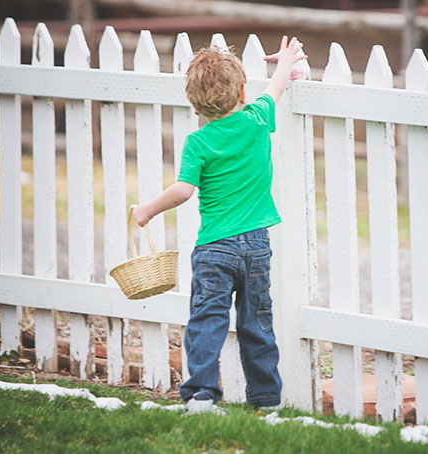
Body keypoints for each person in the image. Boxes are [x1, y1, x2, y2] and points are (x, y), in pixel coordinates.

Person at [132, 36, 307, 413]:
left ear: (194, 102)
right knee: (256, 323)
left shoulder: (198, 142)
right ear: (243, 90)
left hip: (215, 248)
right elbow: (277, 86)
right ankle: (266, 400)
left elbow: (182, 191)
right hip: (257, 246)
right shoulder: (257, 119)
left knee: (206, 323)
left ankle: (201, 395)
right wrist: (287, 59)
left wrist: (146, 210)